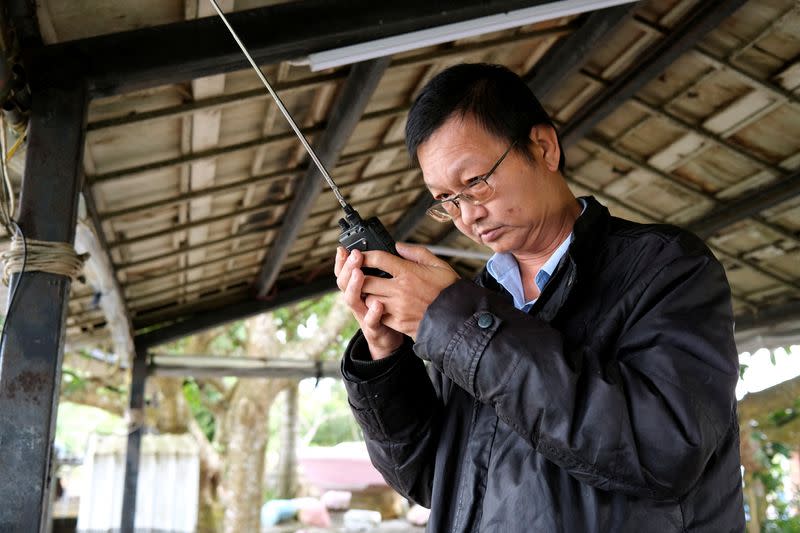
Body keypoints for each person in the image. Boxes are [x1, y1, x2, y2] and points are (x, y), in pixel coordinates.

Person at [334, 63, 744, 532]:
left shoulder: (667, 268)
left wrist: (454, 323)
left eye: (474, 182)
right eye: (445, 199)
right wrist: (386, 355)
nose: (467, 215)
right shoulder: (475, 301)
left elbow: (665, 449)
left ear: (544, 147)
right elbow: (431, 479)